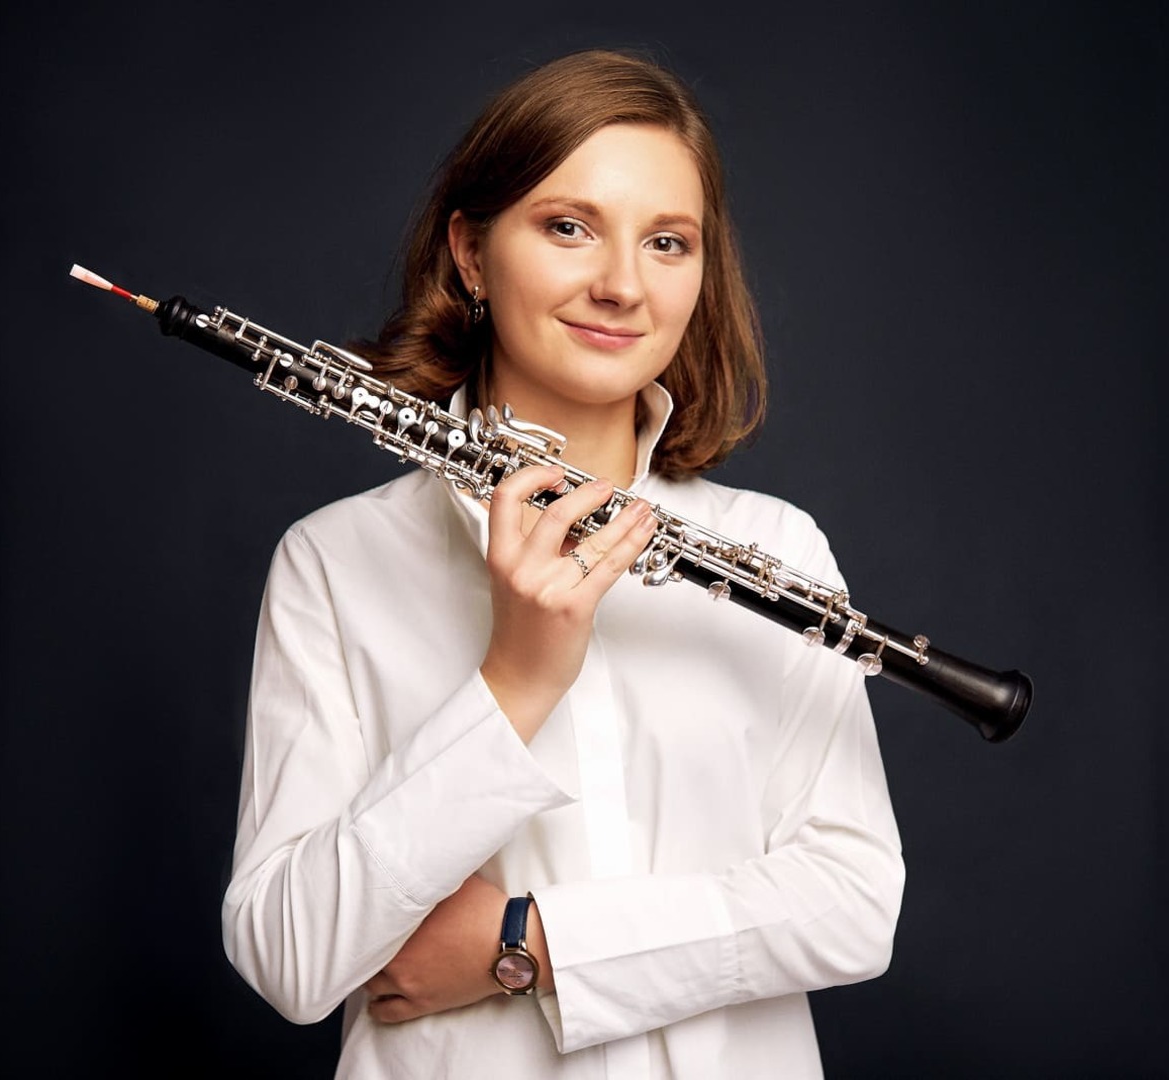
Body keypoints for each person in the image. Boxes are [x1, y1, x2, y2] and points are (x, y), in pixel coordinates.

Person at [219, 47, 904, 1079]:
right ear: (470, 252)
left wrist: (531, 946)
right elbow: (291, 956)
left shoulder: (778, 548)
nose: (622, 286)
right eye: (568, 227)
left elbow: (853, 905)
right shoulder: (335, 563)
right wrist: (515, 683)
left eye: (667, 242)